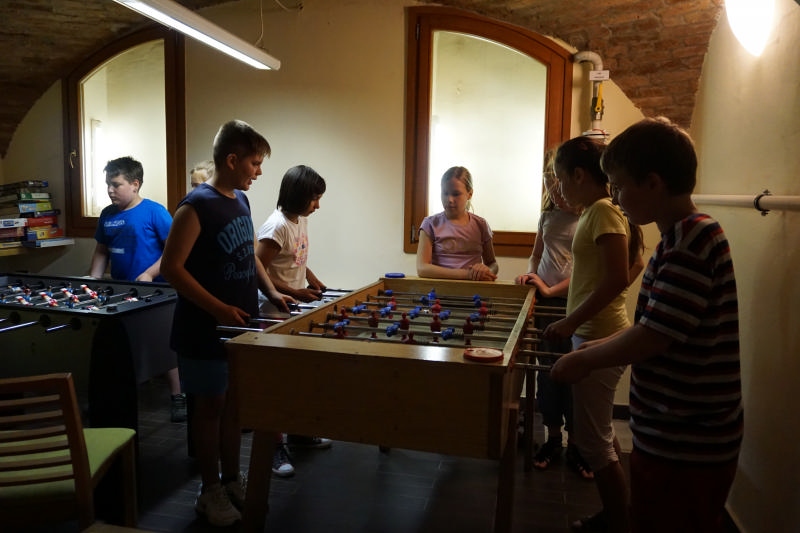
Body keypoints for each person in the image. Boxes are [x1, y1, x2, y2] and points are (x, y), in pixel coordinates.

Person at [551, 117, 742, 533]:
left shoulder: (691, 242)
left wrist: (585, 359)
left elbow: (654, 337)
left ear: (653, 183)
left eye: (620, 187)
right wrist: (591, 349)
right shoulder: (678, 237)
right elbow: (654, 324)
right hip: (671, 431)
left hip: (689, 437)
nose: (617, 198)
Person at [160, 120, 293, 527]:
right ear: (232, 160)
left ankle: (232, 480)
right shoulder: (195, 206)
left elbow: (248, 255)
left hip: (238, 328)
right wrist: (218, 309)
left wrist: (272, 292)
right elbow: (172, 269)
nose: (259, 171)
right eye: (255, 163)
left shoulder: (240, 200)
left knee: (234, 406)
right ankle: (209, 490)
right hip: (202, 330)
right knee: (209, 409)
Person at [541, 136, 643, 533]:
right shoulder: (597, 211)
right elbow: (634, 264)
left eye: (560, 177)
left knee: (593, 441)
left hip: (597, 334)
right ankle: (619, 514)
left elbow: (617, 277)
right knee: (598, 434)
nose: (558, 186)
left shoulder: (602, 210)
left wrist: (571, 322)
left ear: (579, 175)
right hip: (594, 331)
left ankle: (618, 521)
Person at [88, 156, 186, 423]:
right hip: (120, 292)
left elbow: (173, 251)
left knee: (162, 345)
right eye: (107, 184)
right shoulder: (107, 215)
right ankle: (115, 396)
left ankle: (178, 396)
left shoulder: (155, 212)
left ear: (135, 184)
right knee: (121, 345)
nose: (110, 190)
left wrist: (149, 273)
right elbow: (101, 250)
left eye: (116, 184)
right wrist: (93, 281)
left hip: (156, 292)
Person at [514, 149, 590, 479]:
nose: (555, 193)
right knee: (547, 372)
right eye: (549, 185)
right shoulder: (547, 216)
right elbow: (537, 254)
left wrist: (549, 289)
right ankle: (552, 439)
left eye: (557, 185)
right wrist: (531, 276)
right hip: (545, 303)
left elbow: (588, 270)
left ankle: (577, 445)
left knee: (575, 373)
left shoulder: (589, 216)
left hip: (574, 304)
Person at [255, 164, 332, 467]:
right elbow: (257, 269)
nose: (317, 205)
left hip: (292, 311)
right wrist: (295, 292)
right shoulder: (276, 227)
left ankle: (298, 433)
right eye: (314, 198)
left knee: (298, 375)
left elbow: (296, 258)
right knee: (275, 383)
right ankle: (273, 447)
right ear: (299, 195)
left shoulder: (299, 220)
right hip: (271, 312)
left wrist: (312, 280)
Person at [416, 166, 498, 280]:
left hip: (474, 290)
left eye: (456, 194)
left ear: (470, 194)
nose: (449, 199)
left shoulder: (481, 225)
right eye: (445, 193)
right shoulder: (430, 224)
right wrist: (467, 275)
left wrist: (486, 271)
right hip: (440, 289)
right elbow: (422, 268)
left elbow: (493, 264)